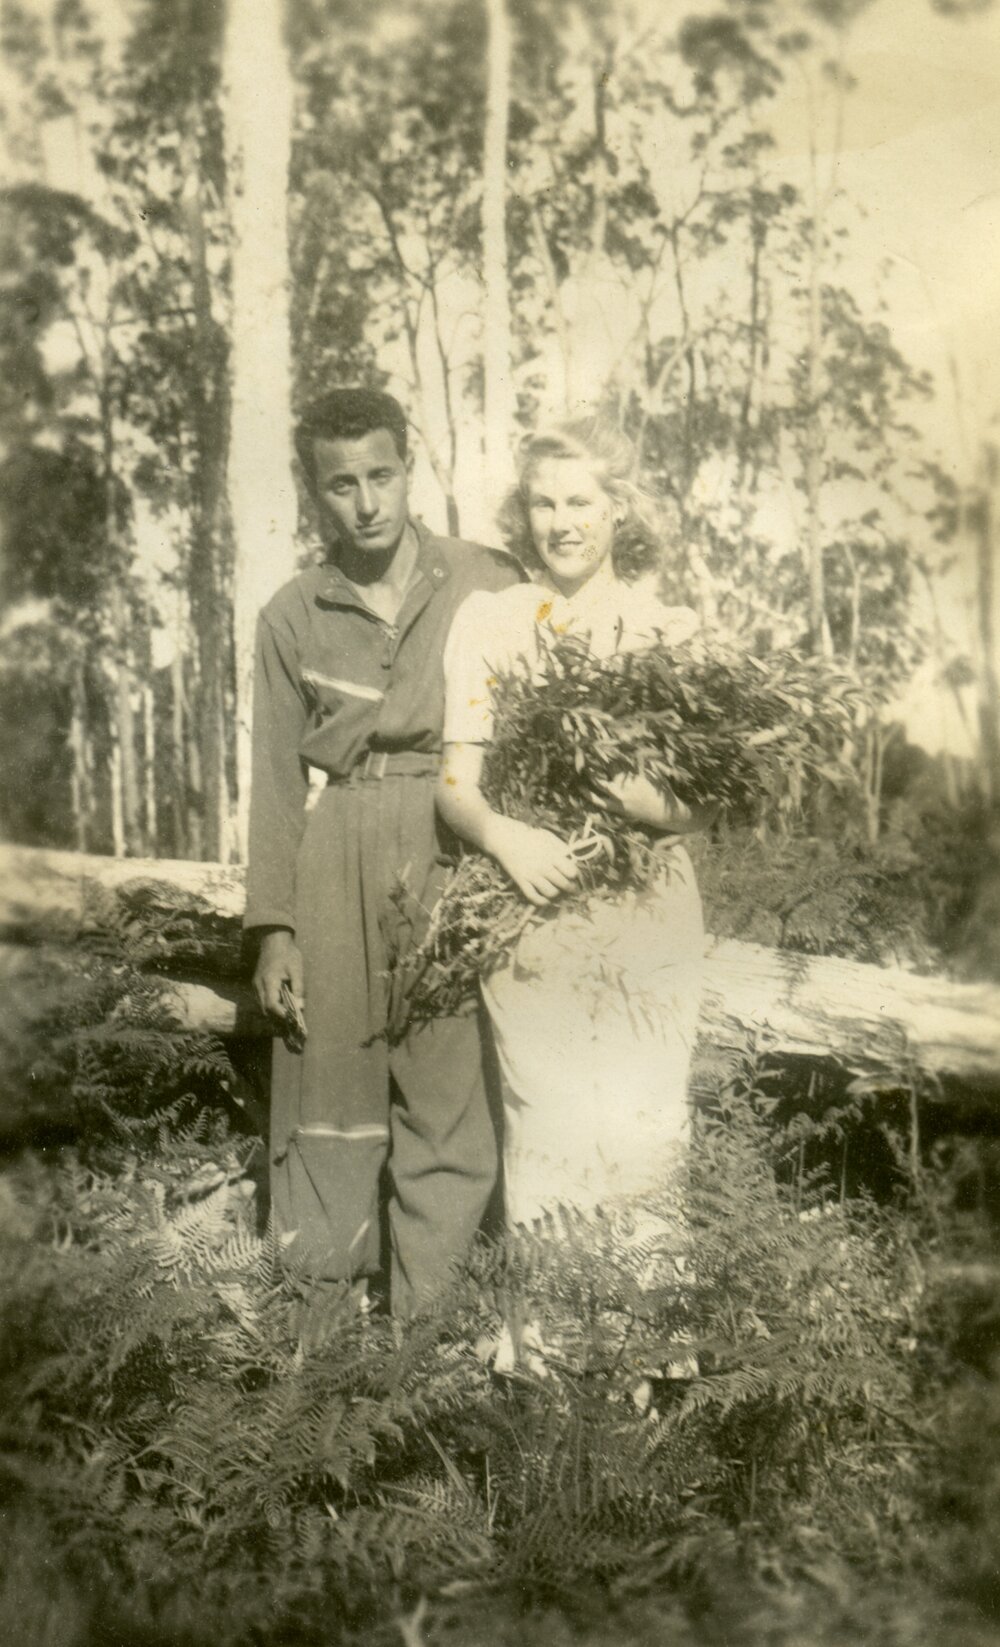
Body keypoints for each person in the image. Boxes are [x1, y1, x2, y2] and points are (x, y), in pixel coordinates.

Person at [436, 419, 710, 1362]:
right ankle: (553, 1381)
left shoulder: (669, 630)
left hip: (647, 912)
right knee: (547, 1135)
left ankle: (643, 1379)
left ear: (619, 508)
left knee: (642, 1133)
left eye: (582, 500)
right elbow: (455, 782)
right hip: (535, 910)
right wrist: (505, 837)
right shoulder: (493, 620)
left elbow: (698, 802)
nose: (562, 522)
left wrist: (623, 791)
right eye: (546, 502)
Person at [244, 388, 520, 1315]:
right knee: (329, 1090)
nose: (365, 502)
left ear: (413, 466)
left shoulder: (485, 578)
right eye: (340, 484)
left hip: (453, 842)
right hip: (338, 853)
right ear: (312, 494)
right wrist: (274, 929)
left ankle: (426, 1354)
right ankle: (317, 1357)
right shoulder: (292, 614)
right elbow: (278, 784)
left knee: (445, 1093)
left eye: (381, 475)